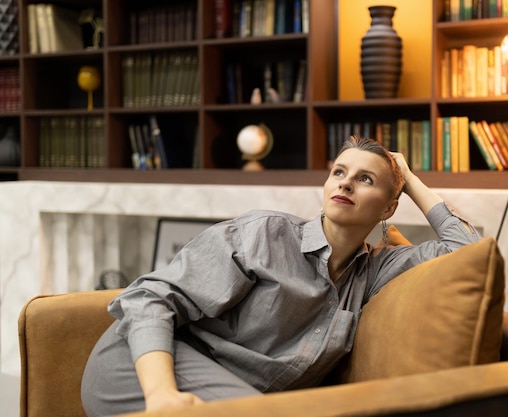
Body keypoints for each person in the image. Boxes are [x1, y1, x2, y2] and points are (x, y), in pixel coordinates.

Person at [81, 136, 480, 416]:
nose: (344, 182)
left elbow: (465, 250)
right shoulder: (265, 234)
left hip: (238, 396)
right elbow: (150, 298)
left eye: (365, 178)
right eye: (339, 171)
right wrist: (162, 394)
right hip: (144, 365)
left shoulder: (375, 271)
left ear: (389, 208)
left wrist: (408, 179)